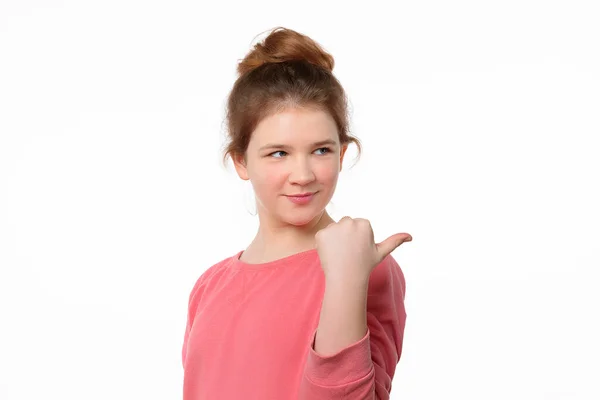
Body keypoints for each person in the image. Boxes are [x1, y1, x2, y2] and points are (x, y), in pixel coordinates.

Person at [181, 26, 412, 400]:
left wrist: (346, 278)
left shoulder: (366, 267)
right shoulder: (208, 288)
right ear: (241, 160)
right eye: (279, 153)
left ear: (342, 152)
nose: (303, 176)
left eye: (321, 150)